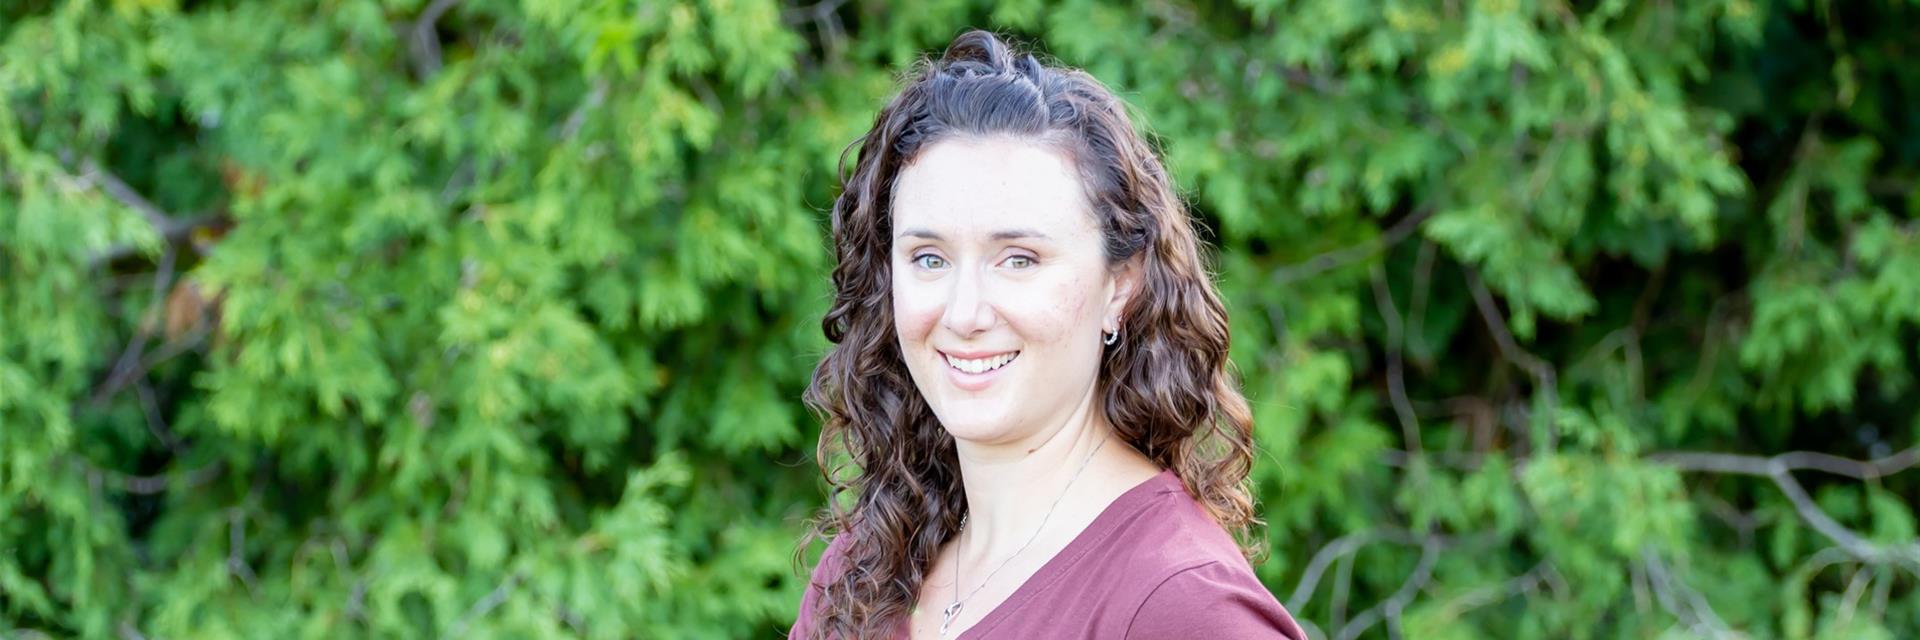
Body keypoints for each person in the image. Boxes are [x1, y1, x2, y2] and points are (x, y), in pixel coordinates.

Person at [790, 29, 1308, 640]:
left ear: (1120, 284)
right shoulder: (862, 576)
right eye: (929, 257)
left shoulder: (1181, 607)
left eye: (1018, 259)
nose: (964, 313)